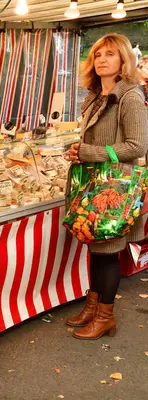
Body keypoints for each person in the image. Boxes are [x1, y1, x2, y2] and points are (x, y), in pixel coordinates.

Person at [65, 33, 148, 340]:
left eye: (110, 54)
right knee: (96, 249)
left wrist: (93, 153)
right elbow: (94, 140)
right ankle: (93, 305)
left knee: (108, 251)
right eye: (98, 54)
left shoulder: (130, 97)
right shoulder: (96, 95)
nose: (101, 59)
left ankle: (106, 316)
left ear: (124, 60)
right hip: (92, 183)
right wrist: (78, 149)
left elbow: (137, 146)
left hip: (114, 188)